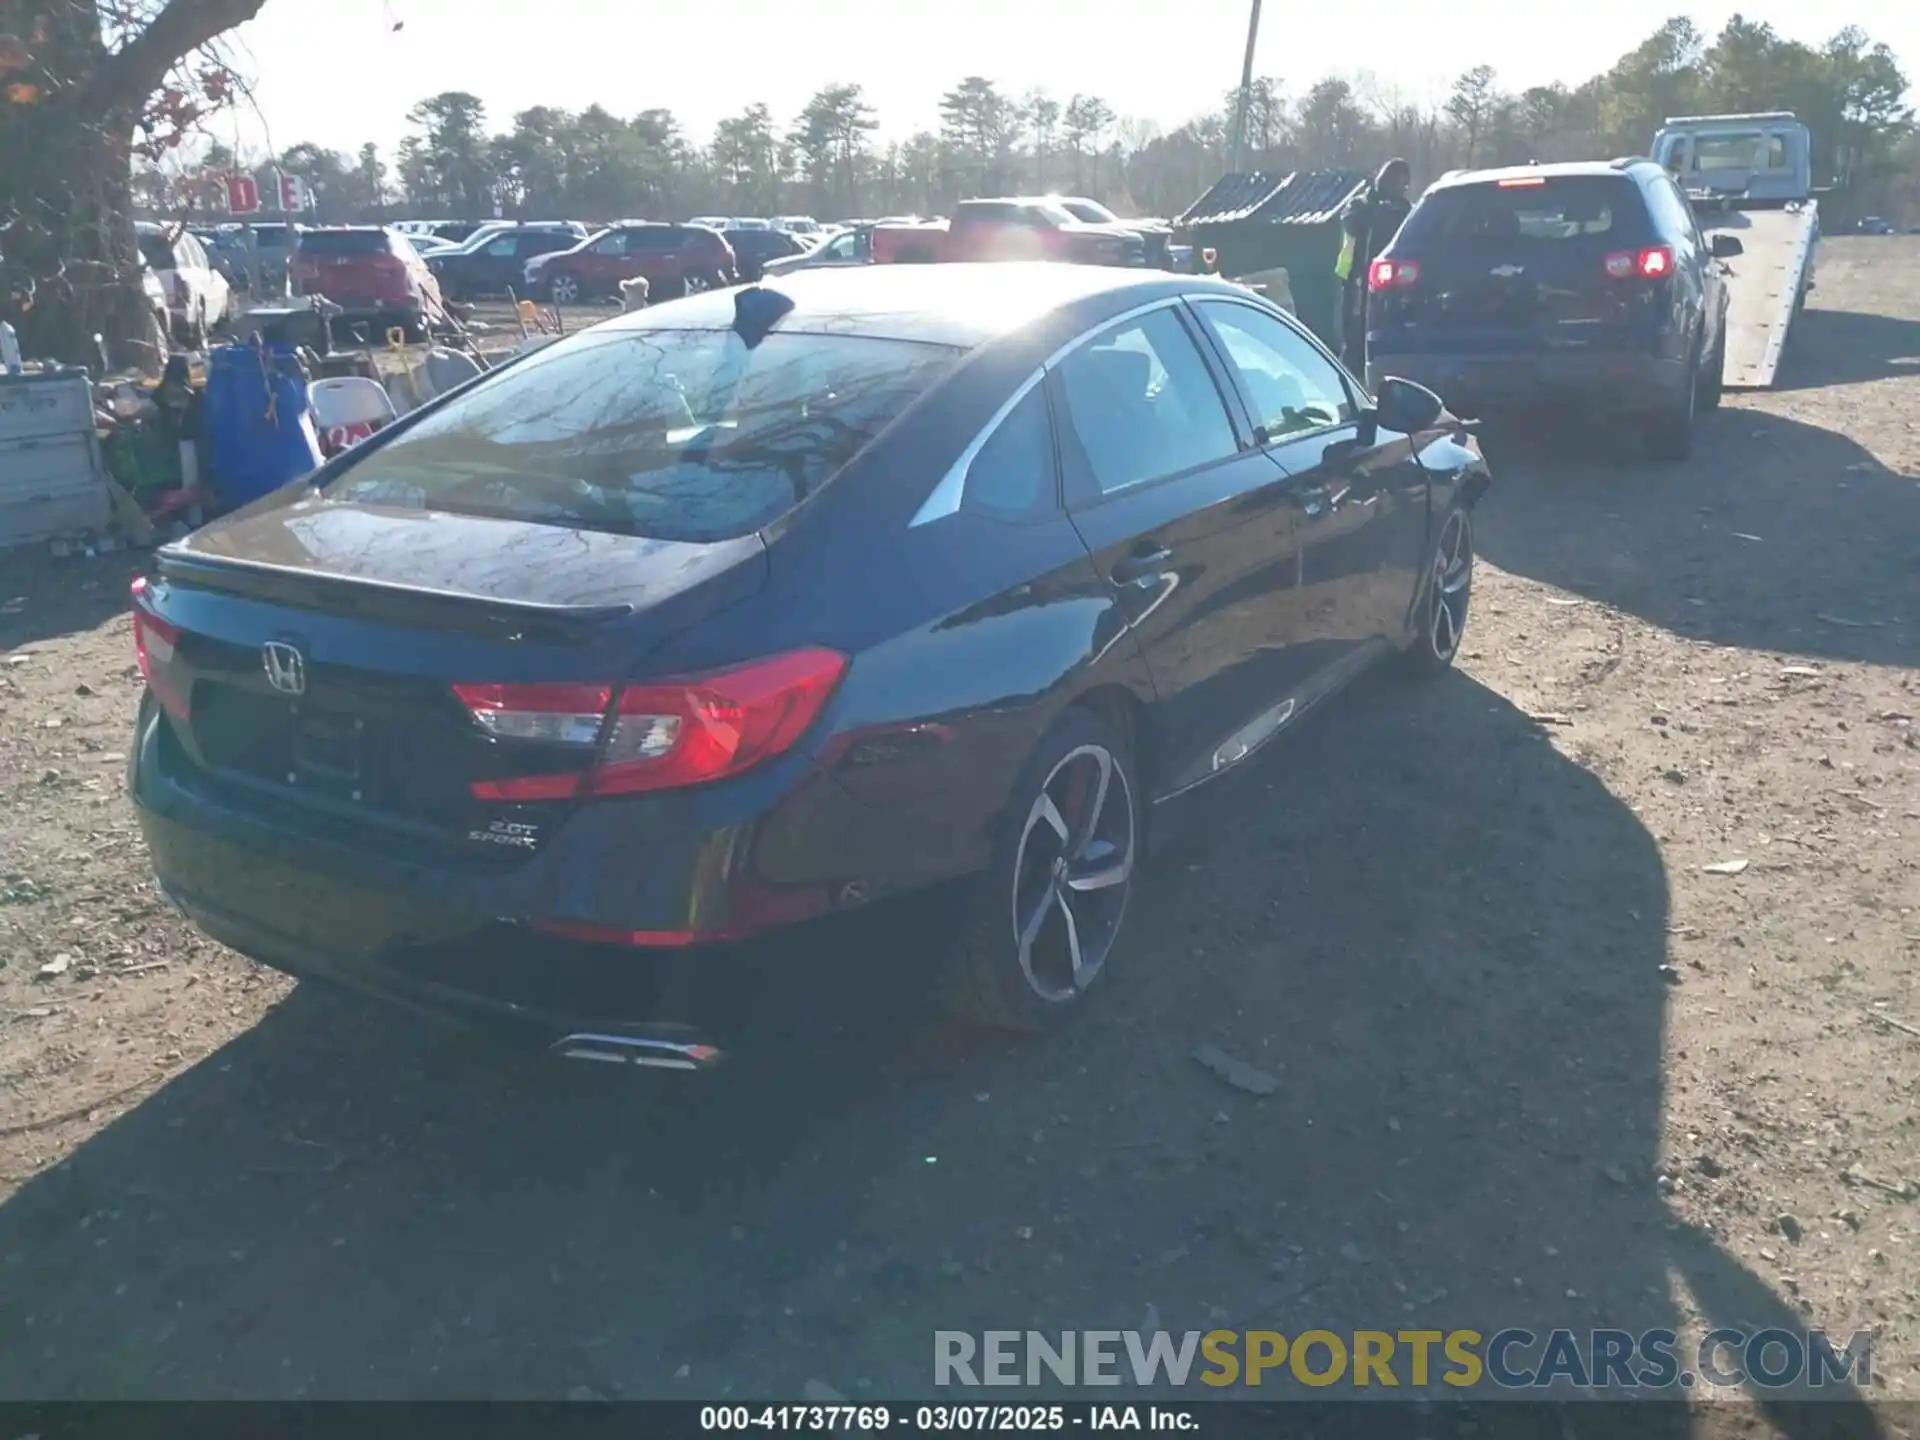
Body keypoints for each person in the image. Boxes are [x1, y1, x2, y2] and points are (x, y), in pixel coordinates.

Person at [1333, 158, 1413, 374]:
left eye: (1402, 183)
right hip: (1356, 277)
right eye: (1394, 181)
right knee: (1353, 334)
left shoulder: (1403, 209)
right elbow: (1351, 223)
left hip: (1388, 282)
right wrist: (1377, 213)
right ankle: (1350, 376)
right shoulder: (1360, 203)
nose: (1398, 187)